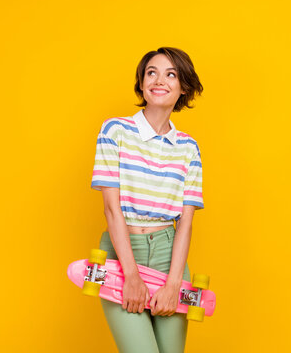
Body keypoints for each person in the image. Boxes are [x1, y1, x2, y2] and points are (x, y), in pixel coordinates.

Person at [90, 47, 204, 353]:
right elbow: (112, 210)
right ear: (142, 82)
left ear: (183, 88)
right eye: (151, 72)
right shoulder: (115, 131)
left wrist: (173, 283)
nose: (159, 80)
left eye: (171, 74)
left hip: (171, 258)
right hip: (123, 252)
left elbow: (186, 222)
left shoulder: (188, 148)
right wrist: (131, 274)